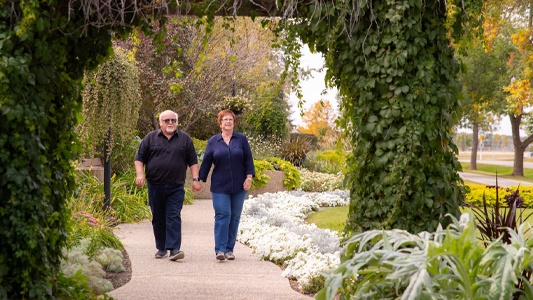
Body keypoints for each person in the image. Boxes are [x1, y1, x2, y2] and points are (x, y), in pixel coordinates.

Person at [134, 110, 202, 261]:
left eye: (173, 120)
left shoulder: (184, 139)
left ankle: (174, 249)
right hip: (155, 185)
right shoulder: (150, 138)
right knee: (158, 217)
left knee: (173, 216)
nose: (170, 123)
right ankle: (161, 247)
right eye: (167, 121)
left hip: (176, 186)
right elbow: (139, 158)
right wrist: (140, 174)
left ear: (177, 122)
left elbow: (193, 161)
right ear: (160, 123)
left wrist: (196, 179)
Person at [199, 109, 255, 261]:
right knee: (223, 214)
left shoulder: (241, 140)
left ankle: (230, 249)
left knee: (235, 217)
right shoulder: (213, 141)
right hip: (219, 186)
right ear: (220, 123)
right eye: (225, 120)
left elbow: (249, 160)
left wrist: (249, 177)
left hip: (239, 185)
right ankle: (220, 250)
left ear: (234, 123)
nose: (228, 122)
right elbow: (206, 162)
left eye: (230, 119)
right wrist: (200, 180)